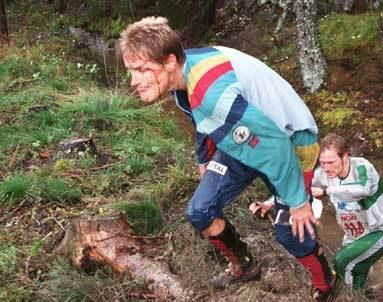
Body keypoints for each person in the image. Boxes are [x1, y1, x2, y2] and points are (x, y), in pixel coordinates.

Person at [119, 16, 332, 298]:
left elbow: (275, 146)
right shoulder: (184, 72)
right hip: (244, 134)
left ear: (170, 61)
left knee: (290, 232)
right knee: (200, 210)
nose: (134, 81)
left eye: (143, 69)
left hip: (290, 143)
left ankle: (325, 283)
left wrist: (298, 202)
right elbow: (202, 118)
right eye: (131, 70)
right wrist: (204, 159)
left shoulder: (212, 95)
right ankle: (244, 265)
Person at [310, 133, 383, 293]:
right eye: (323, 163)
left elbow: (362, 190)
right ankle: (368, 292)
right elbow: (299, 185)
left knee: (342, 262)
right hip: (353, 236)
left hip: (380, 231)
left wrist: (326, 191)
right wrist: (268, 203)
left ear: (345, 156)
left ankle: (354, 297)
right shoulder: (322, 173)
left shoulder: (363, 167)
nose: (326, 168)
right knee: (344, 272)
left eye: (331, 162)